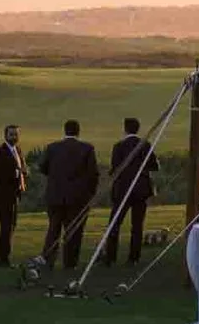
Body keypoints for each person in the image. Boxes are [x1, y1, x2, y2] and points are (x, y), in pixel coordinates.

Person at [38, 119, 99, 269]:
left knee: (53, 229)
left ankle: (48, 261)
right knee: (74, 231)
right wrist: (90, 193)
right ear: (78, 131)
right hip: (78, 198)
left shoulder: (52, 148)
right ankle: (70, 263)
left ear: (65, 131)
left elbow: (43, 168)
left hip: (55, 196)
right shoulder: (87, 149)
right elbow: (93, 174)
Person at [101, 115, 155, 265]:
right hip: (141, 190)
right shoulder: (146, 145)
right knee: (137, 225)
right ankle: (134, 258)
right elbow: (154, 165)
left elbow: (115, 169)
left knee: (115, 223)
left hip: (122, 189)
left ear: (125, 129)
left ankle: (110, 257)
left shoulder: (118, 146)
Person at [0, 125, 26, 266]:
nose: (14, 137)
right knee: (6, 226)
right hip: (3, 195)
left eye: (16, 134)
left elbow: (22, 168)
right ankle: (3, 259)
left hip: (15, 194)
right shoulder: (0, 152)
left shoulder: (18, 150)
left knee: (12, 225)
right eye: (11, 134)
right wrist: (17, 172)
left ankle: (3, 256)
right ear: (5, 136)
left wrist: (23, 173)